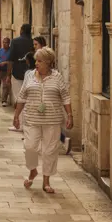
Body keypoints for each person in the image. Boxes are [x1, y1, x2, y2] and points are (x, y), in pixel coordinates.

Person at [13, 47, 73, 194]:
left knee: (50, 151)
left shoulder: (57, 77)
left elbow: (65, 97)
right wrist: (16, 115)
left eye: (39, 61)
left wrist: (70, 115)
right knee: (30, 147)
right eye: (36, 61)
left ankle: (46, 181)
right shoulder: (29, 76)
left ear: (48, 63)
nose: (36, 64)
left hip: (52, 120)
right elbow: (21, 97)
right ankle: (33, 171)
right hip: (32, 118)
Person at [7, 24, 34, 131]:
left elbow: (11, 59)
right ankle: (26, 124)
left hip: (18, 73)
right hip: (31, 73)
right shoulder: (33, 42)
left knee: (20, 99)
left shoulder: (15, 41)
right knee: (28, 100)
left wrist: (8, 75)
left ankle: (20, 124)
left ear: (21, 30)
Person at [0, 37, 11, 106]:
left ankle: (4, 100)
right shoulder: (0, 51)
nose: (4, 44)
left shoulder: (11, 51)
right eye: (3, 42)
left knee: (5, 85)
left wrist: (5, 62)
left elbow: (11, 61)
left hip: (7, 70)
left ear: (9, 43)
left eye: (6, 42)